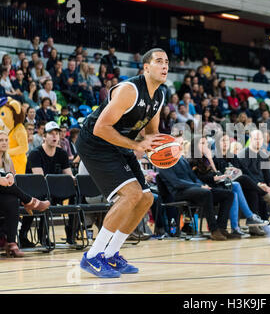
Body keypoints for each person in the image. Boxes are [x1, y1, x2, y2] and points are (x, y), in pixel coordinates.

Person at [76, 48, 169, 278]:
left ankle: (112, 254)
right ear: (146, 67)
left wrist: (169, 147)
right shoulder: (129, 90)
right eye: (159, 61)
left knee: (146, 197)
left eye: (167, 62)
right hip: (95, 143)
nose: (165, 66)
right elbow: (101, 128)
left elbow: (151, 133)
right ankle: (93, 256)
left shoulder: (159, 95)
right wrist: (136, 145)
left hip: (121, 144)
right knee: (130, 194)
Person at [20, 122, 71, 248]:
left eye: (57, 134)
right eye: (51, 134)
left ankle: (71, 234)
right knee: (43, 197)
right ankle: (28, 236)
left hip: (53, 190)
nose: (55, 136)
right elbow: (40, 180)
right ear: (44, 136)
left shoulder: (62, 154)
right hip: (32, 192)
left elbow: (69, 177)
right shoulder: (35, 154)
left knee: (74, 193)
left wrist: (73, 181)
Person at [0, 131, 49, 257]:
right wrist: (4, 180)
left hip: (4, 195)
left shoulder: (7, 159)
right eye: (1, 140)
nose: (4, 143)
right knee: (11, 192)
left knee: (12, 200)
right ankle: (30, 201)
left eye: (6, 140)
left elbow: (12, 179)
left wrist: (9, 177)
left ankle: (11, 243)